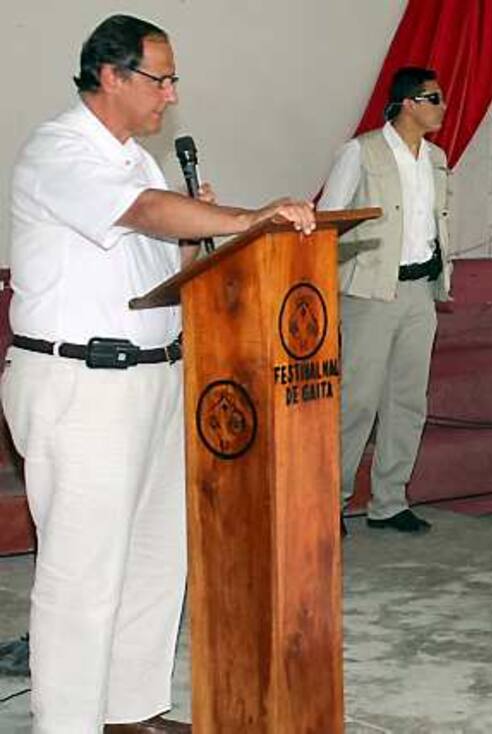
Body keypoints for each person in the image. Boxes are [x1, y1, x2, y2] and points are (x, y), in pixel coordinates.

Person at [2, 14, 315, 732]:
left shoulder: (136, 158)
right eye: (160, 78)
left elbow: (163, 266)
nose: (170, 95)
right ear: (111, 76)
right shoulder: (60, 150)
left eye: (173, 80)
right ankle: (69, 723)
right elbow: (143, 214)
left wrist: (203, 234)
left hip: (154, 376)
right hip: (82, 384)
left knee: (155, 555)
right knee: (83, 573)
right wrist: (245, 217)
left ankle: (130, 710)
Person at [318, 67, 452, 535]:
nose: (442, 106)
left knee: (408, 400)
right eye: (434, 98)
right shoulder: (361, 152)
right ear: (408, 103)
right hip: (370, 292)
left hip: (420, 291)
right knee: (356, 400)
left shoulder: (435, 158)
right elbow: (327, 222)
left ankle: (389, 501)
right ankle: (327, 503)